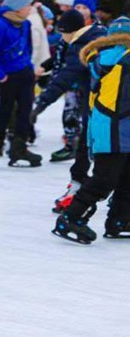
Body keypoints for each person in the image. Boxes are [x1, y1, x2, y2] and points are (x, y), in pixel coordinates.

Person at [53, 16, 130, 243]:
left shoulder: (103, 58)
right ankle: (71, 217)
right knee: (104, 180)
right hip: (116, 130)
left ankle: (120, 220)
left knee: (125, 177)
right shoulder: (124, 60)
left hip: (108, 128)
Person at [32, 8, 107, 209]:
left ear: (70, 31)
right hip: (106, 103)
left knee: (89, 148)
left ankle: (79, 190)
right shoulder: (99, 33)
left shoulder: (83, 46)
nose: (62, 38)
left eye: (62, 33)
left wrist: (41, 103)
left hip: (100, 104)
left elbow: (66, 76)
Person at [0, 0, 41, 167]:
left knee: (25, 112)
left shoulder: (26, 24)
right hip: (7, 76)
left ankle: (19, 147)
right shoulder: (1, 25)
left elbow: (28, 48)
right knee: (4, 111)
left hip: (25, 73)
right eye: (27, 5)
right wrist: (0, 75)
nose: (30, 8)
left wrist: (29, 68)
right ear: (17, 6)